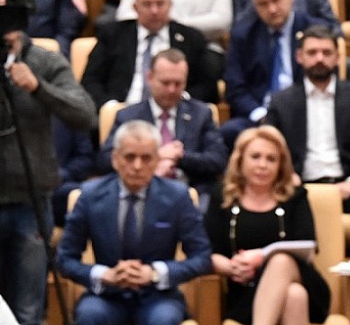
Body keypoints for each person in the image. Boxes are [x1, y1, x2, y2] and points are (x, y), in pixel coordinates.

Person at [56, 120, 212, 325]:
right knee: (90, 315)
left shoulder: (178, 197)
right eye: (129, 157)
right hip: (107, 295)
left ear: (157, 160)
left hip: (158, 296)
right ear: (115, 159)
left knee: (164, 319)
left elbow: (202, 257)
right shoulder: (90, 195)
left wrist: (155, 273)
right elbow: (65, 259)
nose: (137, 166)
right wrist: (104, 275)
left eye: (146, 158)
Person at [266, 24, 350, 261]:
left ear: (338, 57)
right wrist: (287, 175)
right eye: (312, 52)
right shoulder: (281, 102)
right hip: (299, 187)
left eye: (326, 53)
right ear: (300, 57)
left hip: (347, 186)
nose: (319, 59)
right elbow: (267, 150)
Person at [0, 26, 96, 325]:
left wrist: (37, 87)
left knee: (28, 311)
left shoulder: (44, 61)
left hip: (31, 201)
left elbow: (85, 113)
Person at [205, 125, 331, 324]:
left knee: (281, 261)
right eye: (255, 157)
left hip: (306, 283)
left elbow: (308, 246)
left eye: (271, 159)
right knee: (294, 295)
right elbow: (207, 252)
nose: (263, 165)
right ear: (240, 159)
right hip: (247, 290)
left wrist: (262, 256)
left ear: (281, 165)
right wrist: (232, 268)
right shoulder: (222, 196)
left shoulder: (295, 196)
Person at [101, 49, 228, 210]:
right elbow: (105, 159)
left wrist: (180, 157)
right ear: (150, 78)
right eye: (165, 83)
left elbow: (218, 160)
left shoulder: (201, 114)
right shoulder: (128, 116)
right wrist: (155, 156)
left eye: (178, 83)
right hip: (139, 192)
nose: (172, 90)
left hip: (191, 192)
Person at [222, 0, 325, 147]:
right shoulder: (243, 35)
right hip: (259, 117)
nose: (272, 9)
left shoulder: (314, 31)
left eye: (276, 0)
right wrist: (261, 115)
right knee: (229, 132)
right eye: (263, 4)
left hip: (306, 115)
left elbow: (324, 81)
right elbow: (235, 89)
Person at [82, 0, 217, 109]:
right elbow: (90, 81)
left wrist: (181, 100)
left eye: (160, 4)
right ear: (135, 7)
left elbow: (208, 87)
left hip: (174, 113)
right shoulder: (112, 35)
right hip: (121, 111)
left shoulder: (191, 38)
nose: (154, 11)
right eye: (147, 4)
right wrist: (110, 108)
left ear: (170, 5)